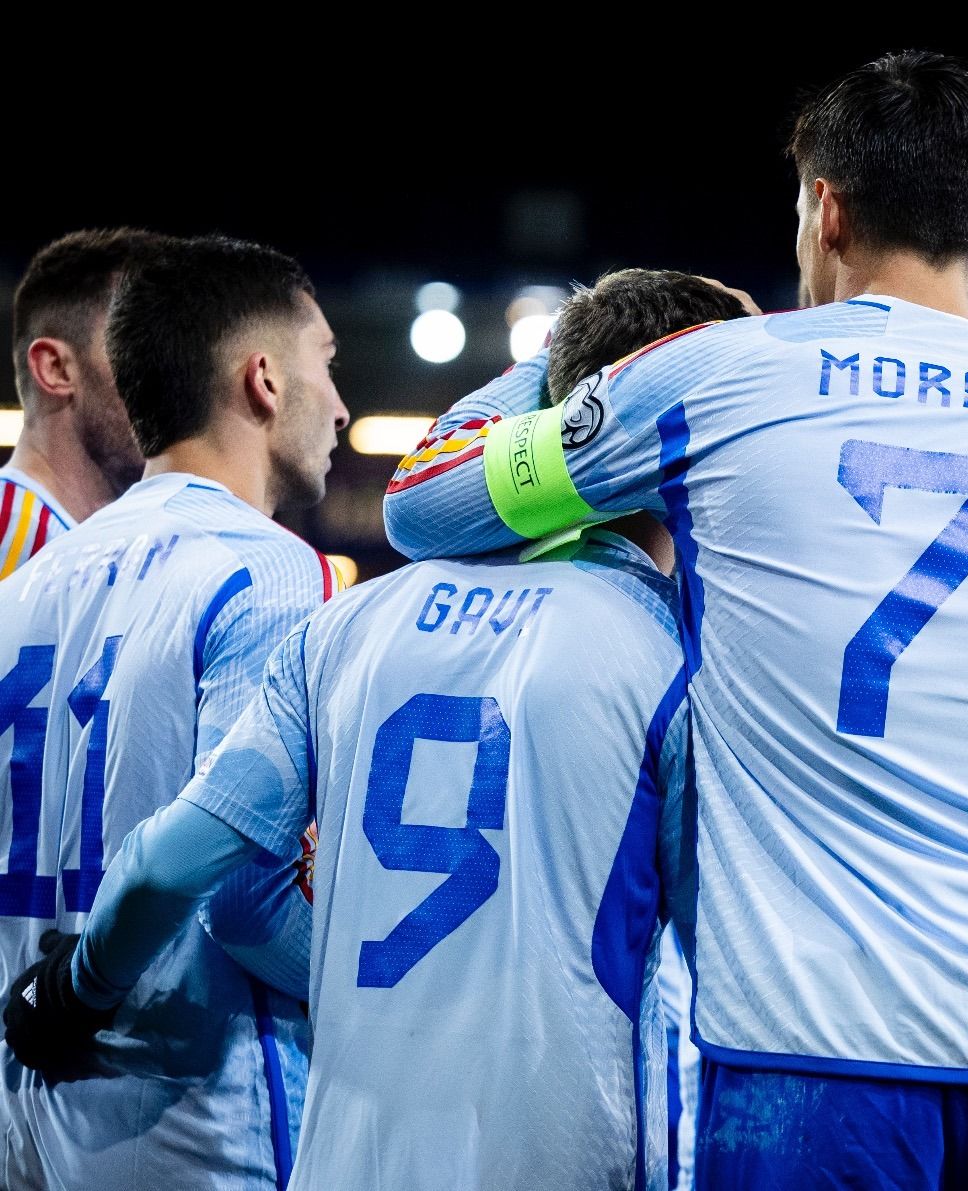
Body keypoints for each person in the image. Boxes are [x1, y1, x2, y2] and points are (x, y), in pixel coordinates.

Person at [384, 50, 968, 1188]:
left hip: (811, 1047)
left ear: (825, 211)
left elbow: (425, 502)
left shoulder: (711, 378)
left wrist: (580, 355)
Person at [5, 270, 753, 1189]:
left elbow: (166, 864)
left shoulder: (346, 625)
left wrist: (74, 987)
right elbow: (726, 963)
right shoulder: (677, 656)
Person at [0, 234, 348, 1189]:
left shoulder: (27, 586)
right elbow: (247, 899)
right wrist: (401, 986)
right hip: (196, 1119)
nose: (340, 404)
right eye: (327, 362)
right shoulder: (269, 567)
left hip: (31, 1120)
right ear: (264, 379)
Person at [2, 229, 164, 575]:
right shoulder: (12, 535)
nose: (172, 380)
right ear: (55, 368)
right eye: (142, 350)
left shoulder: (103, 553)